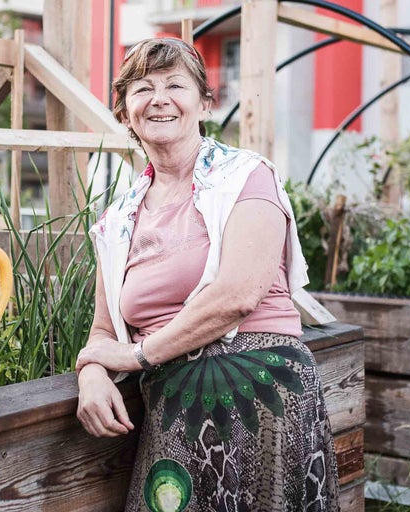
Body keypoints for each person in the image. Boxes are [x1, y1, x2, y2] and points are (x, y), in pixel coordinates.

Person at [75, 37, 339, 512]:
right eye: (141, 89)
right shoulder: (116, 221)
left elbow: (236, 294)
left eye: (175, 85)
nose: (159, 99)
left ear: (203, 103)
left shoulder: (247, 176)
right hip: (173, 409)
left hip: (264, 398)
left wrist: (137, 356)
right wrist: (92, 372)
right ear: (125, 111)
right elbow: (103, 329)